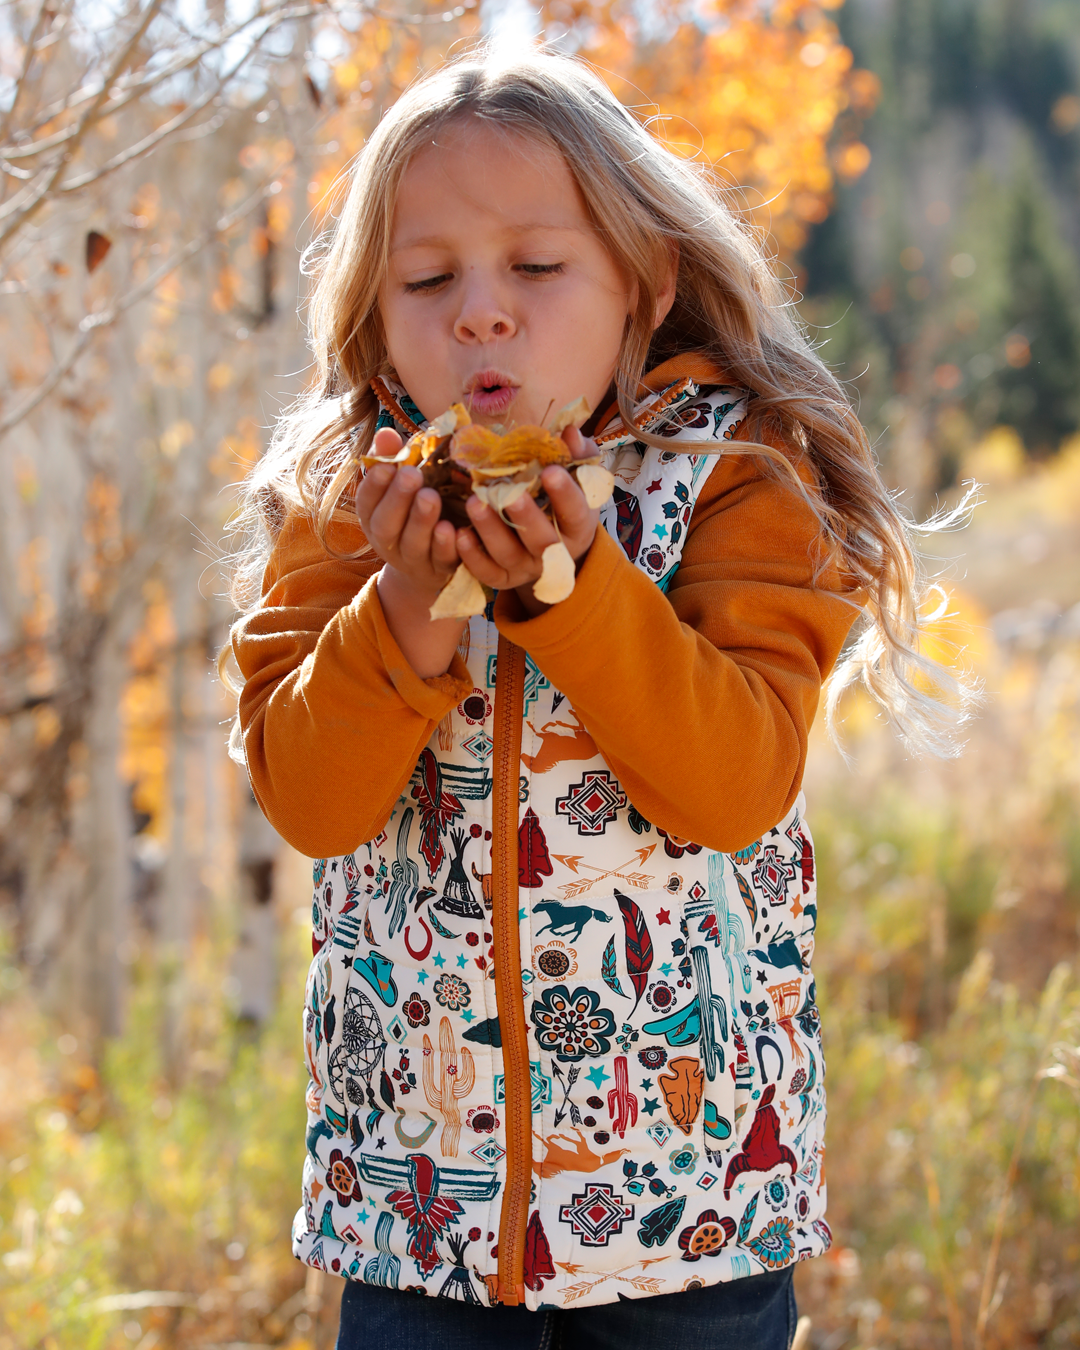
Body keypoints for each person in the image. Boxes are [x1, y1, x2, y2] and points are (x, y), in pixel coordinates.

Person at [225, 47, 972, 1350]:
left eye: (535, 266)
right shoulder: (354, 500)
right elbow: (312, 803)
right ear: (377, 309)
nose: (481, 314)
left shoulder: (737, 472)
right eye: (428, 279)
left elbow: (734, 787)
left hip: (689, 1208)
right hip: (419, 1210)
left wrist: (578, 596)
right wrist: (405, 606)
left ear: (646, 278)